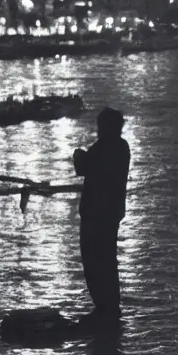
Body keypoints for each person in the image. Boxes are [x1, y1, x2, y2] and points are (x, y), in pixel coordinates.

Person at [74, 107, 131, 322]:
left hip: (97, 214)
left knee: (95, 261)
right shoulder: (121, 147)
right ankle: (109, 307)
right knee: (106, 260)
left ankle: (104, 308)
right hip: (110, 213)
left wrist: (78, 154)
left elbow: (83, 166)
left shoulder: (106, 148)